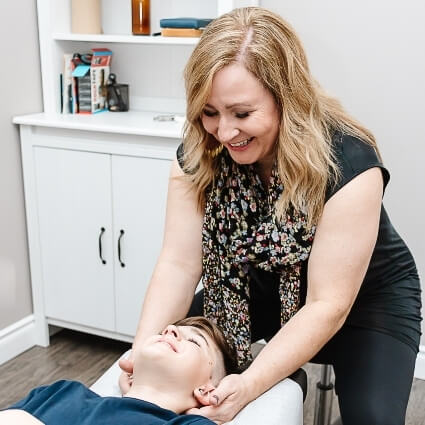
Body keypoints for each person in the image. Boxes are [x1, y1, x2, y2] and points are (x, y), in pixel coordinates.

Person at [119, 7, 422, 425]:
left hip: (364, 302)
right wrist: (141, 356)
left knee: (374, 419)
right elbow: (179, 263)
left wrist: (249, 384)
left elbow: (327, 304)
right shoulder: (199, 155)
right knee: (181, 369)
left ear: (288, 100)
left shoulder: (349, 163)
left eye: (242, 114)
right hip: (255, 285)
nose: (224, 133)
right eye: (210, 112)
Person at [1, 317, 239, 425]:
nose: (170, 330)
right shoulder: (61, 392)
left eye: (195, 341)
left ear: (206, 389)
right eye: (167, 330)